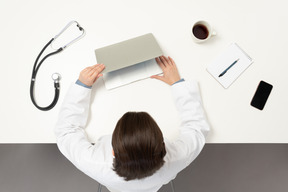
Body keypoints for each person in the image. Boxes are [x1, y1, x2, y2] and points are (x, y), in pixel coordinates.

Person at [55, 56, 210, 192]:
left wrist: (82, 85)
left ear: (113, 152)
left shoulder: (94, 162)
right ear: (163, 147)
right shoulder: (178, 158)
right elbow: (196, 128)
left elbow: (65, 132)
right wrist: (177, 83)